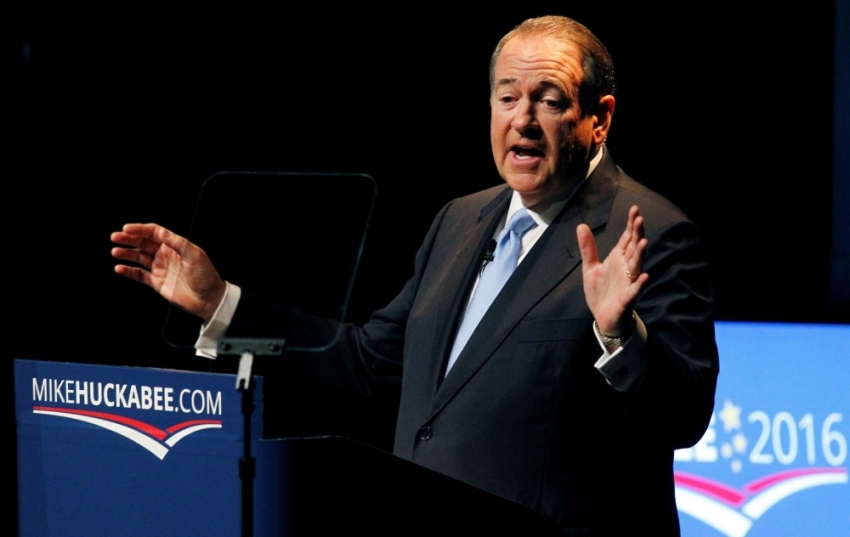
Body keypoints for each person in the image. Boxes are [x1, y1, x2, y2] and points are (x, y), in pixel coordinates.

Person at [112, 16, 718, 534]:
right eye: (507, 98)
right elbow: (368, 364)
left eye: (550, 99)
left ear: (600, 117)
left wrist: (620, 336)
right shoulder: (460, 221)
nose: (524, 120)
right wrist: (222, 303)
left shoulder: (650, 233)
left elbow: (684, 417)